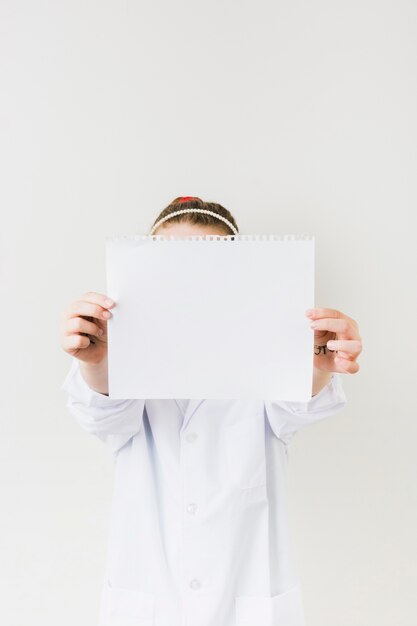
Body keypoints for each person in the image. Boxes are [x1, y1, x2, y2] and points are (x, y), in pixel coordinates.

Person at [59, 197, 362, 626]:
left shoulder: (265, 362)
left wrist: (314, 365)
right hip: (150, 604)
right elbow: (100, 412)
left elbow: (297, 403)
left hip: (248, 601)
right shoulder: (123, 368)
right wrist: (99, 362)